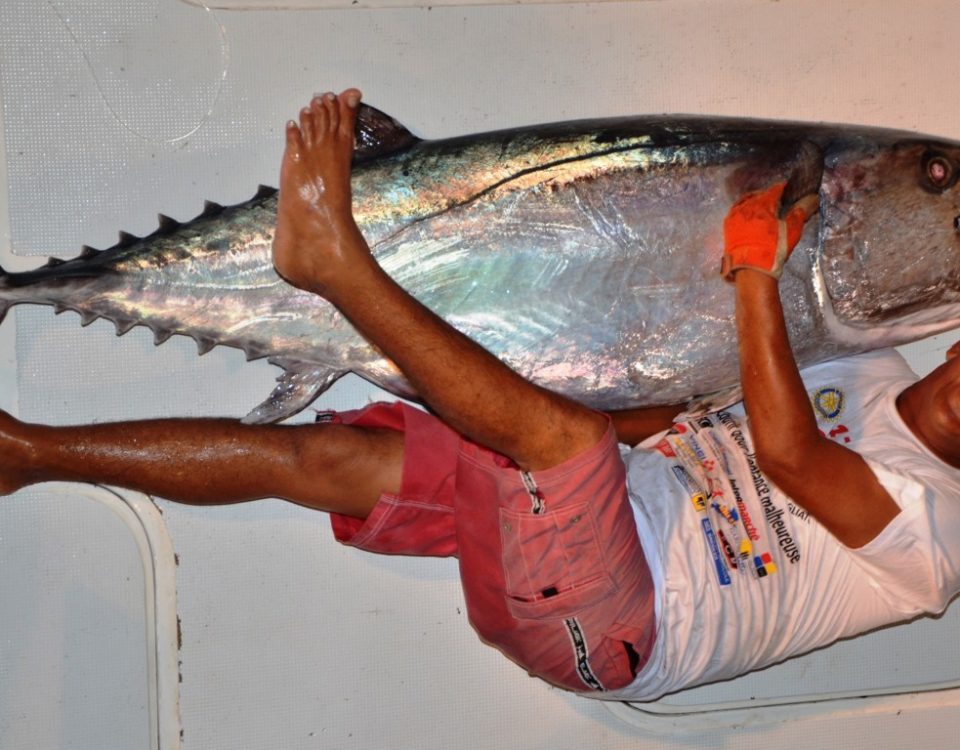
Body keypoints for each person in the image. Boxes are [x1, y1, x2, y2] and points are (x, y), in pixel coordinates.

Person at [2, 90, 959, 700]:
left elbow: (791, 455)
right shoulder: (865, 373)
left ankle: (340, 269)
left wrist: (754, 275)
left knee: (563, 438)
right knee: (331, 460)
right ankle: (27, 452)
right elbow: (679, 415)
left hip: (627, 624)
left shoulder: (941, 531)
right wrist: (493, 404)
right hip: (596, 510)